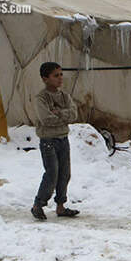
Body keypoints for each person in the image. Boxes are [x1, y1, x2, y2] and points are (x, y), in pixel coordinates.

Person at [31, 62, 80, 220]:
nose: (60, 78)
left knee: (65, 173)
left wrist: (59, 113)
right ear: (45, 78)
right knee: (52, 173)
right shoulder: (41, 98)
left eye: (61, 74)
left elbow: (74, 114)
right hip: (48, 140)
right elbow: (45, 119)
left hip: (62, 139)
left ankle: (60, 206)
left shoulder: (65, 96)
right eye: (55, 75)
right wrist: (63, 116)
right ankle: (38, 204)